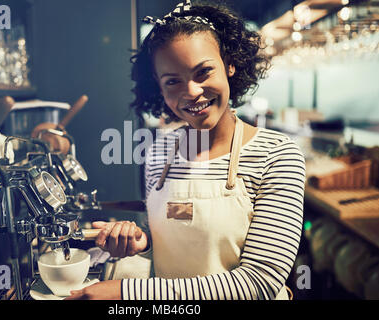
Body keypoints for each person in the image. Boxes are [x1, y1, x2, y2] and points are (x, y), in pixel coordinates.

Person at [66, 0, 305, 300]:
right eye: (173, 81)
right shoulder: (159, 151)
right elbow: (184, 236)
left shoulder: (278, 156)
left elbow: (258, 284)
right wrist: (144, 241)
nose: (191, 92)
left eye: (203, 72)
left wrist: (126, 293)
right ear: (159, 86)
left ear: (229, 64)